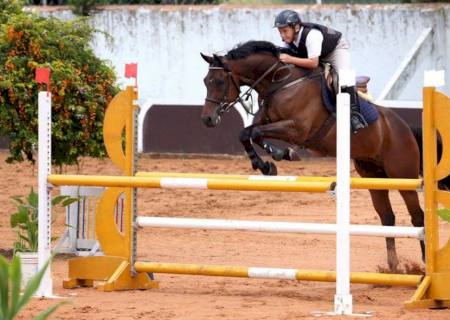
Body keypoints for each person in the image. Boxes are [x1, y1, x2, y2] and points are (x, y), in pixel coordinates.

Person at [273, 9, 368, 133]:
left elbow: (313, 63)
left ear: (296, 27)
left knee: (344, 78)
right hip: (315, 54)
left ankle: (354, 116)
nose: (282, 36)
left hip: (335, 51)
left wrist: (290, 58)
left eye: (285, 31)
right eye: (280, 32)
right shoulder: (289, 41)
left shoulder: (312, 35)